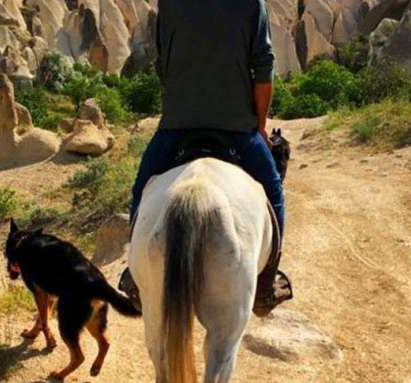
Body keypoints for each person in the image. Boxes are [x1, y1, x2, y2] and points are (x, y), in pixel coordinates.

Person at [118, 0, 291, 314]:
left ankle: (135, 277)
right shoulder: (252, 5)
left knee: (141, 190)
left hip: (177, 127)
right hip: (237, 129)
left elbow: (163, 66)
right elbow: (263, 70)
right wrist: (260, 126)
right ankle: (265, 285)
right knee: (274, 190)